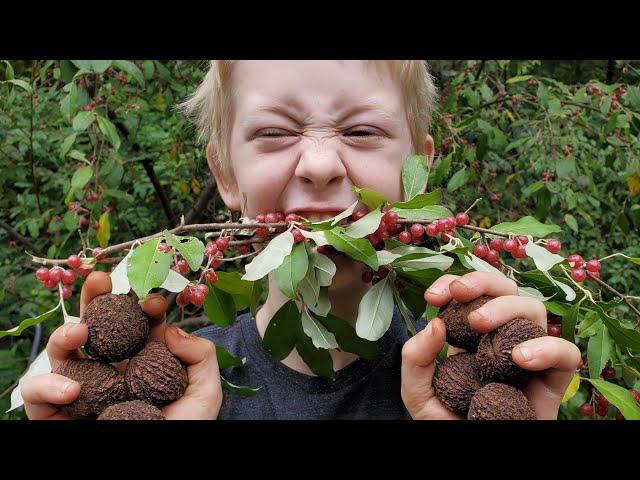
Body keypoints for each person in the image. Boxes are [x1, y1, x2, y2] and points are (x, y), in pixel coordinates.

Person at [21, 61, 581, 420]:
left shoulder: (477, 378)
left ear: (419, 172)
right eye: (274, 132)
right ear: (225, 176)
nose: (319, 165)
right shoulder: (168, 395)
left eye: (361, 132)